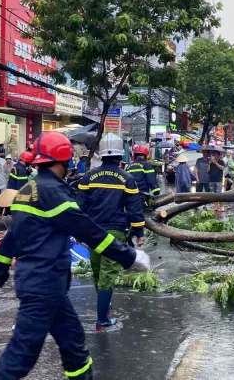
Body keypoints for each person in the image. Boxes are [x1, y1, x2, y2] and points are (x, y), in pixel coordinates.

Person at [0, 131, 150, 379]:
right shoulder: (53, 193)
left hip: (45, 286)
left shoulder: (28, 190)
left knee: (74, 347)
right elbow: (88, 231)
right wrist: (129, 256)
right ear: (65, 160)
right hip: (43, 287)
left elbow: (10, 240)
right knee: (19, 358)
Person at [77, 133, 145, 331]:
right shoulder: (126, 178)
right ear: (120, 155)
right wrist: (139, 232)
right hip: (114, 233)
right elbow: (134, 208)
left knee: (98, 272)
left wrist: (77, 230)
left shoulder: (88, 176)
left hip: (92, 232)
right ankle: (102, 320)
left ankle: (105, 306)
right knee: (107, 274)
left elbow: (79, 206)